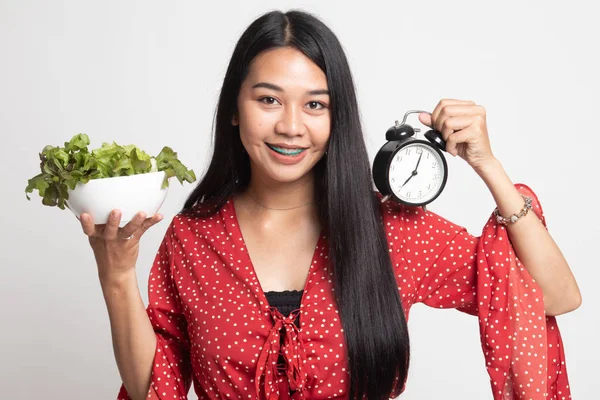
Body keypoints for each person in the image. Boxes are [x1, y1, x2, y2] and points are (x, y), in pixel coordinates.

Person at [79, 9, 581, 400]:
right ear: (235, 109)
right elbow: (156, 387)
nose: (292, 126)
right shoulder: (193, 239)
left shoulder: (391, 230)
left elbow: (554, 297)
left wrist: (489, 166)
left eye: (315, 104)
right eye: (269, 100)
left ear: (337, 117)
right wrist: (117, 277)